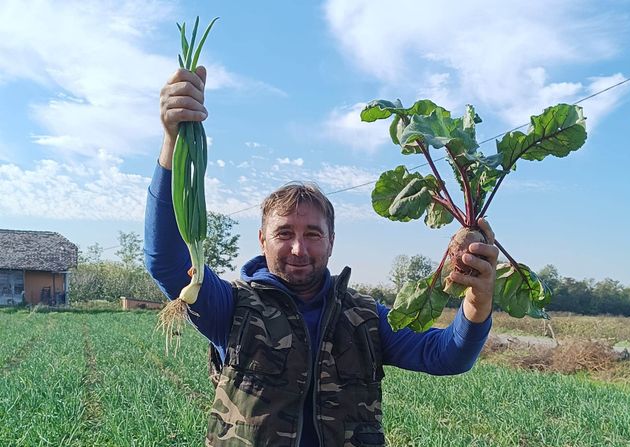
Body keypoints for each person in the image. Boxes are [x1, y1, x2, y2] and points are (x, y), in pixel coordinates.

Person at [145, 66, 499, 447]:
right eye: (284, 234)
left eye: (313, 234)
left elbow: (446, 356)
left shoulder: (364, 317)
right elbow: (166, 260)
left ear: (331, 241)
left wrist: (477, 301)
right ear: (262, 240)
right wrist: (172, 143)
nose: (299, 248)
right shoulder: (231, 307)